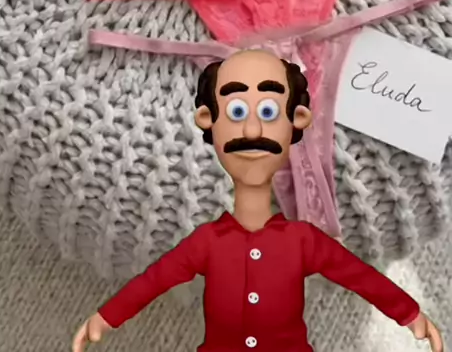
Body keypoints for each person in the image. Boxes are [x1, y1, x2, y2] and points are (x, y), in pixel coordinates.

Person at [72, 49, 443, 352]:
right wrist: (106, 318)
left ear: (297, 120)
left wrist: (409, 313)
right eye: (236, 112)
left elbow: (359, 276)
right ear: (207, 120)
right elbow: (154, 280)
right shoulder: (207, 241)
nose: (252, 130)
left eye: (267, 112)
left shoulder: (304, 240)